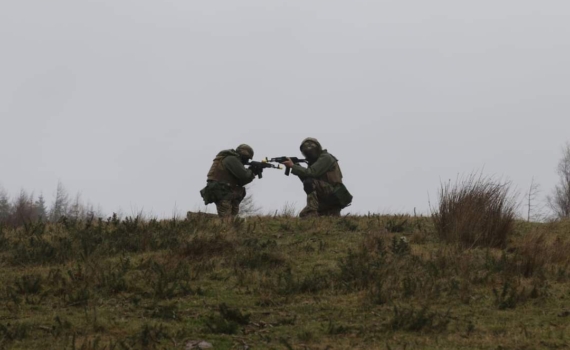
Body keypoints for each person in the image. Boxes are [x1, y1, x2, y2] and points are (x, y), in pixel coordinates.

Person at [281, 138, 352, 217]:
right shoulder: (315, 161)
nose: (309, 154)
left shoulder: (326, 157)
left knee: (309, 183)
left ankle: (312, 211)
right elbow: (306, 180)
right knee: (304, 215)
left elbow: (311, 174)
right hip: (327, 197)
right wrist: (296, 166)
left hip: (334, 193)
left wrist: (293, 166)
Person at [200, 144, 256, 217]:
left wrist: (253, 173)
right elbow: (244, 176)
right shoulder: (231, 159)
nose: (247, 161)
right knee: (226, 218)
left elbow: (241, 182)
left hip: (225, 191)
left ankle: (202, 220)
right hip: (221, 191)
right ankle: (197, 218)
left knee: (232, 217)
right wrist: (251, 170)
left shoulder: (231, 159)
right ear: (244, 155)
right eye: (247, 158)